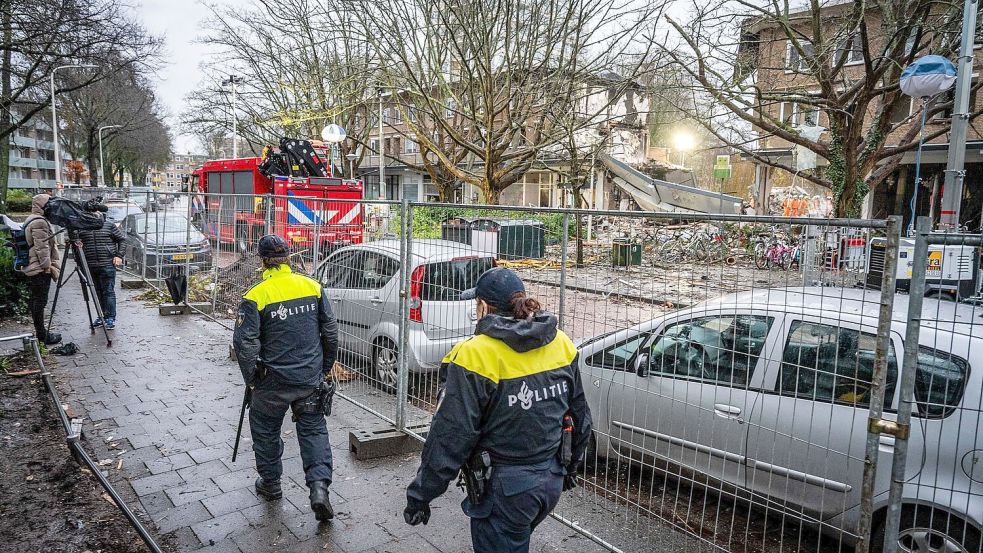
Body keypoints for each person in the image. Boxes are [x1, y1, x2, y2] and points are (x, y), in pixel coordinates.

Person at [403, 267, 593, 552]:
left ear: (482, 307)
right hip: (550, 480)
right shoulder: (560, 342)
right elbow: (581, 416)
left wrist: (421, 494)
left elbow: (451, 435)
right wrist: (570, 468)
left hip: (506, 489)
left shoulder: (475, 354)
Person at [232, 235, 339, 521]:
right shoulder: (312, 286)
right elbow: (330, 332)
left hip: (272, 383)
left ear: (263, 261)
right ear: (289, 258)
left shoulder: (257, 294)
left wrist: (252, 379)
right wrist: (324, 368)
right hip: (308, 379)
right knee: (314, 431)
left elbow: (245, 344)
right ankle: (319, 488)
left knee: (266, 431)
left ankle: (271, 484)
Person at [22, 193, 61, 345]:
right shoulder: (39, 222)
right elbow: (42, 247)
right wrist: (47, 267)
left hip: (34, 266)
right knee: (40, 301)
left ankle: (41, 332)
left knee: (37, 301)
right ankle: (42, 335)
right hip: (38, 268)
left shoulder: (32, 218)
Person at [77, 215, 125, 329]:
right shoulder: (82, 227)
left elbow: (122, 240)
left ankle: (110, 318)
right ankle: (102, 315)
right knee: (97, 292)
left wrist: (119, 255)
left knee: (108, 291)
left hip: (107, 263)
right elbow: (77, 243)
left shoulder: (109, 225)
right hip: (90, 264)